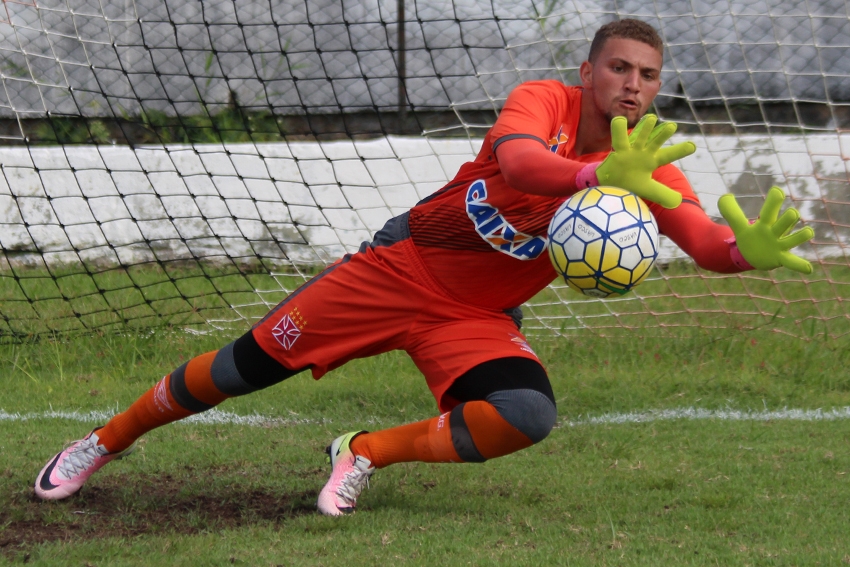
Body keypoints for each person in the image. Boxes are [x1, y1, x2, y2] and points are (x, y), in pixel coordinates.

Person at [34, 19, 813, 515]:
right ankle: (105, 439)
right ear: (587, 71)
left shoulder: (648, 162)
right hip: (399, 267)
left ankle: (364, 449)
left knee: (526, 414)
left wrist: (745, 252)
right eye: (619, 67)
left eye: (647, 74)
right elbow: (521, 161)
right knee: (241, 368)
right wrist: (593, 175)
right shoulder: (543, 101)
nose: (633, 85)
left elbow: (705, 243)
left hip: (475, 317)